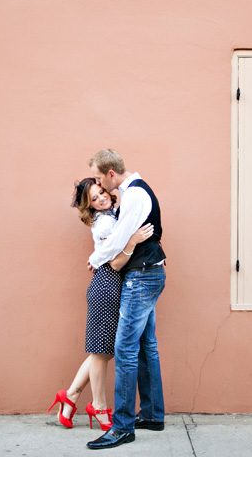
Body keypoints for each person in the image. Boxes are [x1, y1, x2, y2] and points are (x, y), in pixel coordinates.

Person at [48, 178, 154, 431]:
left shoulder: (112, 215)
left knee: (102, 350)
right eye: (94, 199)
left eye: (102, 192)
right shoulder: (105, 222)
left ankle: (71, 395)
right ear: (90, 206)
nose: (101, 198)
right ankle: (98, 405)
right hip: (107, 283)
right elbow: (113, 252)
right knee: (102, 352)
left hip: (111, 284)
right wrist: (132, 240)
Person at [85, 149, 167, 450]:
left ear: (110, 173)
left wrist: (96, 257)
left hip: (142, 277)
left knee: (125, 348)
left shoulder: (134, 196)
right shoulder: (133, 193)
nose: (98, 183)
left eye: (97, 177)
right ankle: (152, 414)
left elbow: (119, 238)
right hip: (148, 273)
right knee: (146, 346)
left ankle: (121, 427)